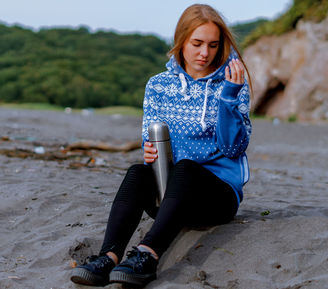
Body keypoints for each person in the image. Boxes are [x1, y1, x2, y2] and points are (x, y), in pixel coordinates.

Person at [70, 3, 252, 287]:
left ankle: (147, 255)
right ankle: (110, 256)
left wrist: (229, 97)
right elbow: (150, 142)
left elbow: (233, 149)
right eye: (197, 43)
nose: (205, 53)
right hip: (171, 197)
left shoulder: (231, 83)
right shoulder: (157, 85)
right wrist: (149, 151)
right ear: (181, 41)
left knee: (187, 168)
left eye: (213, 45)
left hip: (216, 198)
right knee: (137, 172)